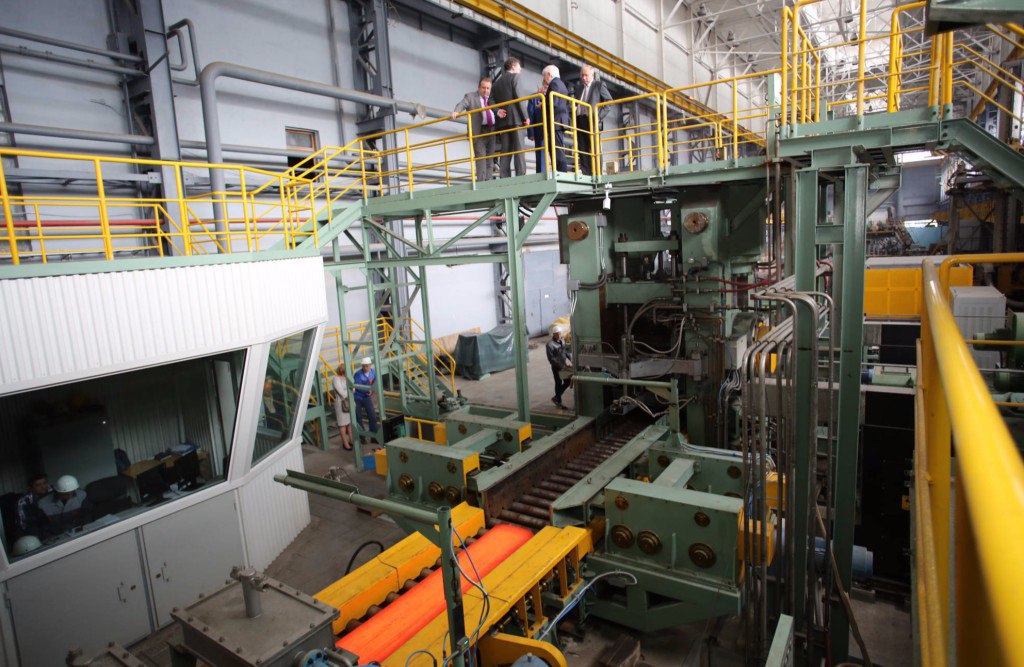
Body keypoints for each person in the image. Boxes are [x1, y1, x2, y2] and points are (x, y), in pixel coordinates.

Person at [490, 57, 531, 178]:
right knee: (519, 149)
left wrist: (497, 111)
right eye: (519, 66)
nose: (520, 69)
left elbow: (490, 101)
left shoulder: (496, 84)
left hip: (503, 122)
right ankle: (520, 175)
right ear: (513, 67)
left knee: (505, 150)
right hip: (516, 120)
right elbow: (519, 98)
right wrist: (525, 117)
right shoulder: (515, 77)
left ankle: (504, 176)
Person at [451, 77, 498, 182]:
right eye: (483, 88)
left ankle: (488, 181)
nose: (486, 91)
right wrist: (456, 111)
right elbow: (462, 104)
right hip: (479, 132)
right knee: (481, 159)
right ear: (479, 87)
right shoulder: (471, 97)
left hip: (492, 131)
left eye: (488, 88)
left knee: (490, 159)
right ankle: (482, 183)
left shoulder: (492, 99)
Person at [574, 65, 613, 175]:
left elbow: (609, 102)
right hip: (580, 120)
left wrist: (599, 117)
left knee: (594, 147)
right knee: (582, 147)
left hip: (593, 120)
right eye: (582, 75)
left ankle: (597, 172)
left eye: (586, 75)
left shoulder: (599, 85)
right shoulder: (579, 88)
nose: (583, 78)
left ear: (592, 75)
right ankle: (586, 172)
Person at [542, 65, 570, 172]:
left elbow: (554, 102)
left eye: (545, 76)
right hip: (559, 120)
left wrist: (543, 103)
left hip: (556, 120)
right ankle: (559, 171)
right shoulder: (561, 83)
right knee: (556, 147)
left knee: (556, 148)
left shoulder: (554, 83)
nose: (544, 79)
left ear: (549, 74)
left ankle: (561, 172)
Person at [352, 357, 378, 441]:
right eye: (363, 366)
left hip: (366, 397)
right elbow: (358, 386)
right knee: (358, 417)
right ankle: (362, 437)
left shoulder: (373, 372)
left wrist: (372, 391)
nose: (365, 368)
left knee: (372, 416)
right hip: (357, 397)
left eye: (367, 366)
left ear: (370, 365)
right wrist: (368, 391)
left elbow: (375, 383)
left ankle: (373, 437)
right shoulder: (358, 374)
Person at [546, 325, 572, 407]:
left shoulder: (563, 341)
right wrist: (561, 366)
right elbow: (551, 359)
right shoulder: (550, 345)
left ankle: (556, 397)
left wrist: (571, 358)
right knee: (558, 383)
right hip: (556, 367)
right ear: (553, 334)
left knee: (568, 381)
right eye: (557, 334)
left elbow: (565, 352)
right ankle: (558, 401)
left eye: (560, 333)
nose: (559, 335)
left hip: (563, 366)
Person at [526, 82, 548, 173]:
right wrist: (531, 132)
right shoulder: (534, 97)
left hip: (551, 129)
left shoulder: (553, 96)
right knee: (540, 155)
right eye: (545, 85)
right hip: (540, 130)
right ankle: (541, 175)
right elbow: (530, 115)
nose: (545, 88)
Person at [332, 365, 353, 451]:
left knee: (350, 423)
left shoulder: (347, 377)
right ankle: (345, 443)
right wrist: (349, 393)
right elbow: (341, 392)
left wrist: (350, 392)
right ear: (342, 372)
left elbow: (353, 388)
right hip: (341, 403)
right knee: (342, 424)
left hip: (349, 402)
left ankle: (351, 440)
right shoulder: (336, 379)